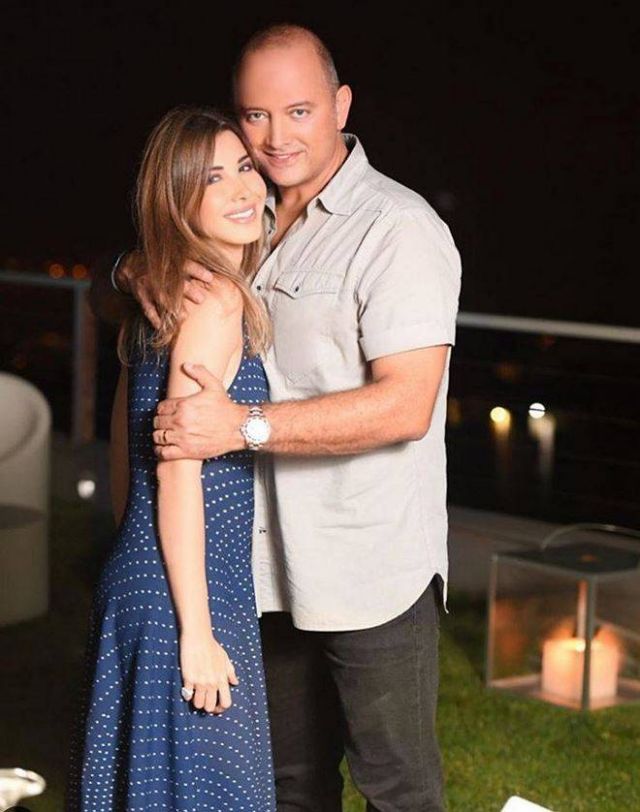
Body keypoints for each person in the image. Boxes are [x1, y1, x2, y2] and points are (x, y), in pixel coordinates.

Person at [93, 24, 462, 812]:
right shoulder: (245, 219)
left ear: (341, 105)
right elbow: (123, 287)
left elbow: (407, 403)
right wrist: (130, 268)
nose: (274, 137)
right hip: (258, 569)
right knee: (290, 785)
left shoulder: (396, 229)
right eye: (255, 115)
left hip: (366, 565)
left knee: (396, 787)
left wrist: (242, 426)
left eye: (298, 111)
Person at [67, 107, 276, 812]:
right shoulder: (211, 300)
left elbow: (130, 444)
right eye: (212, 179)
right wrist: (197, 632)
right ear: (178, 200)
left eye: (243, 167)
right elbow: (176, 466)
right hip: (186, 591)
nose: (241, 189)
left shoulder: (162, 293)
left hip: (147, 574)